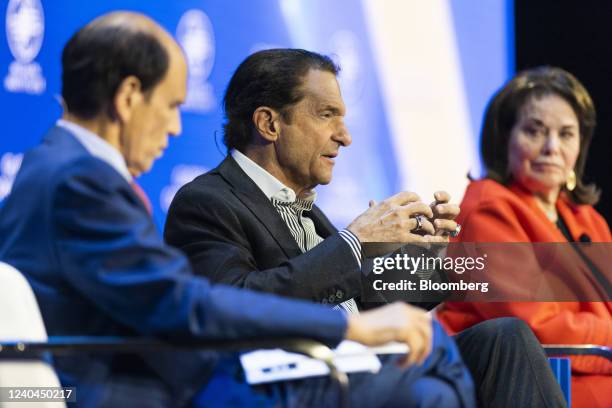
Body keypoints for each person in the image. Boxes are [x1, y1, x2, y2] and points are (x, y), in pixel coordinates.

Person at [0, 11, 481, 408]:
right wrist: (349, 325)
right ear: (128, 97)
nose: (172, 128)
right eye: (170, 106)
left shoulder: (57, 166)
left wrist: (429, 258)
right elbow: (185, 303)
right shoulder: (84, 180)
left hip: (164, 374)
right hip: (130, 389)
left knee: (445, 371)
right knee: (431, 373)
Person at [164, 49, 567, 407]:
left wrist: (431, 258)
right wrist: (354, 242)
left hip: (356, 363)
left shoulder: (308, 212)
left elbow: (358, 303)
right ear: (269, 124)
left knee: (505, 339)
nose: (345, 137)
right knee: (431, 385)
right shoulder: (208, 202)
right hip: (292, 381)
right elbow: (234, 308)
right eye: (326, 115)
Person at [436, 66, 612, 408]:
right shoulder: (489, 208)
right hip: (540, 379)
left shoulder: (585, 217)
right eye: (535, 131)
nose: (551, 147)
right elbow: (536, 327)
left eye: (566, 134)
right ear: (505, 139)